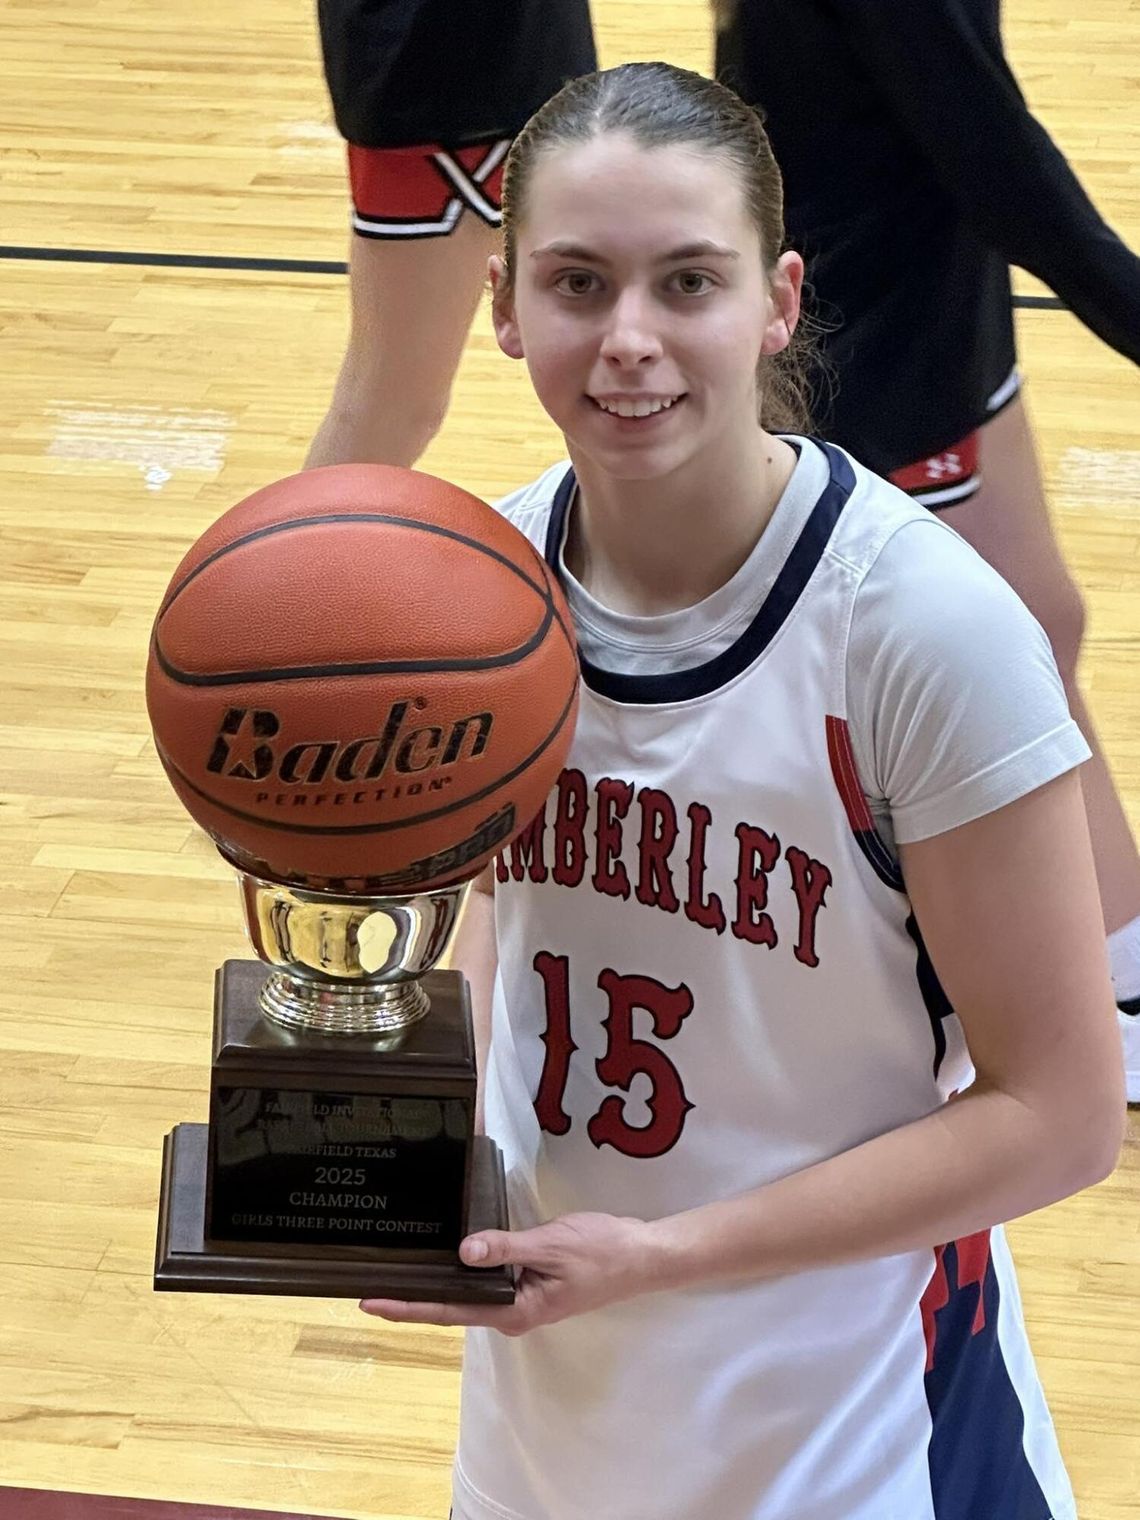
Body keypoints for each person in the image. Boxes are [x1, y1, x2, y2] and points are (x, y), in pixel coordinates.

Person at [359, 63, 1125, 1520]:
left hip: (859, 1436)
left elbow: (1062, 1117)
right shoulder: (467, 594)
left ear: (776, 302)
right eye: (578, 283)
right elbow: (500, 929)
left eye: (687, 283)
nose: (630, 340)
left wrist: (665, 1256)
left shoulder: (921, 631)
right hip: (547, 1426)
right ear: (505, 304)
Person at [714, 0, 1140, 1100]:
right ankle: (1057, 1009)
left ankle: (1123, 959)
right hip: (877, 337)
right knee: (963, 703)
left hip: (937, 286)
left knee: (1045, 623)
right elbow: (999, 161)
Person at [306, 0, 595, 468]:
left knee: (610, 389)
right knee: (393, 408)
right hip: (453, 71)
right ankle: (314, 544)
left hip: (492, 65)